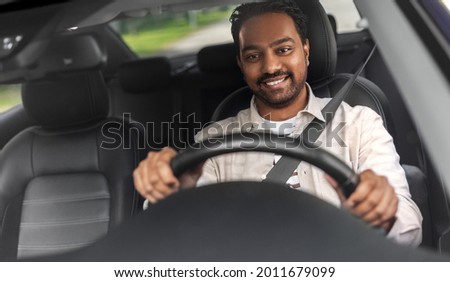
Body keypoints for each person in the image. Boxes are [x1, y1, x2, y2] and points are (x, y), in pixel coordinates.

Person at [133, 0, 422, 246]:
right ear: (241, 64)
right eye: (254, 56)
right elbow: (183, 237)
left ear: (306, 50)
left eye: (283, 49)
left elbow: (409, 226)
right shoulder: (213, 141)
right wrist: (175, 193)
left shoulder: (360, 123)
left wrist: (379, 215)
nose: (270, 67)